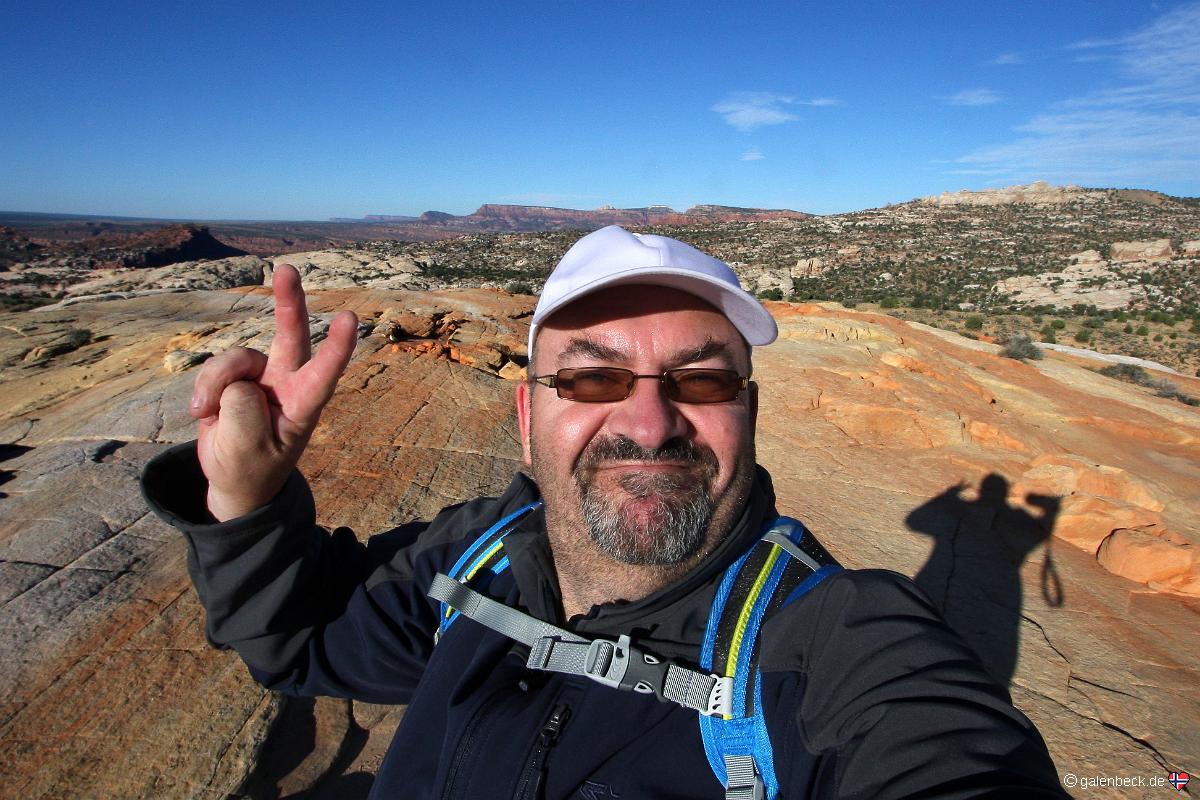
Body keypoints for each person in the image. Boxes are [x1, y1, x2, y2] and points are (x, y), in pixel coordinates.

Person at [141, 225, 1067, 799]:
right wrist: (246, 500)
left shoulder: (832, 641)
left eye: (701, 379)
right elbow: (301, 642)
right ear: (525, 415)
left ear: (750, 412)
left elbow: (945, 756)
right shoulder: (475, 559)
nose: (651, 423)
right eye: (591, 379)